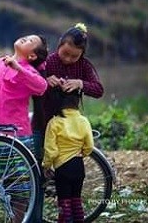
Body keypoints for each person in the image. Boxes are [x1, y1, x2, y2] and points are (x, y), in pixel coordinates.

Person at [31, 23, 104, 222]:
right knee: (39, 172)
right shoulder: (47, 63)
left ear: (82, 54)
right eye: (65, 53)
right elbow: (30, 80)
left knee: (68, 176)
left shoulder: (84, 66)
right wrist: (45, 80)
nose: (69, 59)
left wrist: (81, 83)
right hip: (43, 122)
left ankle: (67, 212)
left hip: (67, 129)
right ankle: (35, 216)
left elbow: (98, 89)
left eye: (74, 56)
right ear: (59, 46)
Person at [42, 90, 94, 223]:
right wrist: (83, 153)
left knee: (64, 203)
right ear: (77, 102)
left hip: (63, 169)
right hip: (79, 167)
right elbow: (89, 146)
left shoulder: (54, 123)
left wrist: (46, 166)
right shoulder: (84, 121)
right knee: (76, 200)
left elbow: (51, 151)